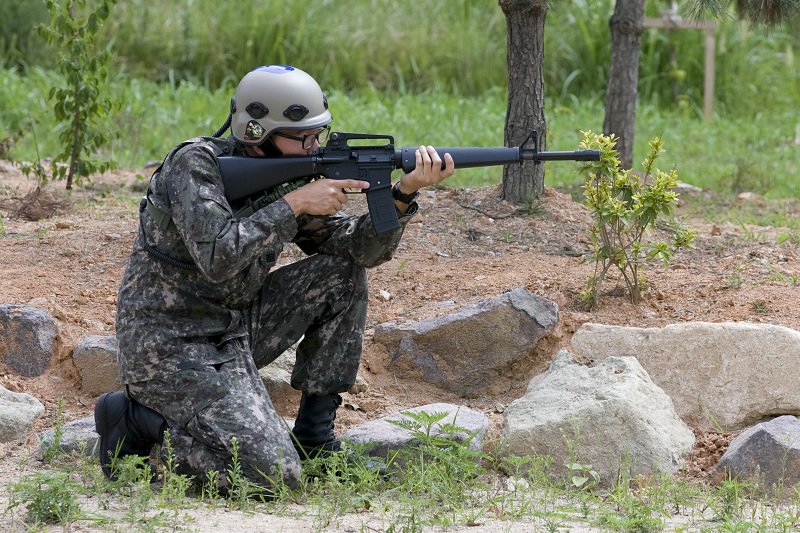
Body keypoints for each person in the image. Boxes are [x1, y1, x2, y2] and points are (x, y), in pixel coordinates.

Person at [94, 64, 455, 491]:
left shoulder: (291, 172)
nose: (312, 147)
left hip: (235, 327)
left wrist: (402, 195)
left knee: (341, 276)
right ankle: (134, 419)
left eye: (316, 136)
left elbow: (357, 252)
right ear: (255, 132)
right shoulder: (194, 165)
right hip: (169, 344)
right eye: (301, 138)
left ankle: (315, 441)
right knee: (270, 477)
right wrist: (295, 204)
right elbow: (218, 255)